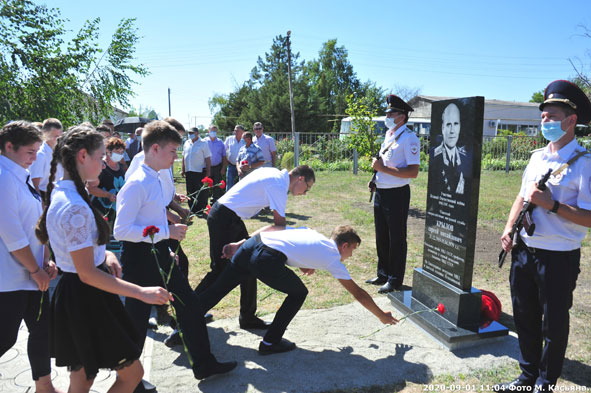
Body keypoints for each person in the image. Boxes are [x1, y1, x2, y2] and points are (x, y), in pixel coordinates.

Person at [35, 124, 173, 393]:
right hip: (88, 296)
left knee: (83, 376)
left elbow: (76, 250)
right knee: (132, 374)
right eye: (100, 158)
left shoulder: (64, 193)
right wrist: (141, 292)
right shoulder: (75, 205)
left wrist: (105, 252)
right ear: (82, 156)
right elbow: (87, 272)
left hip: (74, 293)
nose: (103, 164)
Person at [114, 120, 236, 381]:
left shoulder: (155, 179)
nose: (175, 158)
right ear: (155, 148)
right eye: (172, 152)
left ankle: (204, 364)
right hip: (139, 259)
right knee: (135, 321)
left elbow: (154, 217)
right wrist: (167, 233)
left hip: (158, 253)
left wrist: (166, 242)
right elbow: (121, 231)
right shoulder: (136, 183)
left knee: (190, 305)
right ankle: (127, 379)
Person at [495, 80, 591, 393]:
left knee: (553, 324)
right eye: (543, 117)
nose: (544, 122)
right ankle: (526, 378)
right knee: (524, 318)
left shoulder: (584, 165)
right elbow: (522, 197)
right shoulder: (537, 157)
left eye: (550, 117)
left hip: (558, 257)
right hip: (524, 251)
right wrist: (509, 227)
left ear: (571, 120)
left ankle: (545, 383)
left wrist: (553, 205)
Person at [200, 225, 398, 354]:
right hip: (265, 257)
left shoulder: (313, 233)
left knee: (217, 290)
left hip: (253, 244)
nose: (351, 255)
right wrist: (381, 315)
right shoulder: (331, 256)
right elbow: (359, 294)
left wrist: (302, 261)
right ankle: (270, 343)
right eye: (352, 249)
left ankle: (184, 327)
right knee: (299, 293)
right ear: (344, 245)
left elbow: (289, 239)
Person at [193, 165, 315, 331]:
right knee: (220, 271)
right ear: (300, 178)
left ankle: (248, 317)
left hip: (229, 217)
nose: (305, 193)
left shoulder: (274, 173)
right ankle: (187, 315)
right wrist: (299, 260)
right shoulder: (279, 184)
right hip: (224, 217)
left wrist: (243, 244)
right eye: (307, 188)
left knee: (248, 263)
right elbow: (280, 226)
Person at [0, 121, 63, 393]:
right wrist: (35, 270)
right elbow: (12, 234)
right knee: (4, 337)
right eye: (30, 151)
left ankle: (44, 386)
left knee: (42, 330)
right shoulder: (3, 176)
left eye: (38, 150)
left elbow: (36, 223)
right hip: (10, 278)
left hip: (31, 273)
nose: (35, 157)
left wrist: (45, 259)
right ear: (8, 147)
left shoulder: (19, 173)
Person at [366, 94, 420, 294]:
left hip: (397, 194)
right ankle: (383, 274)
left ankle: (395, 279)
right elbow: (385, 164)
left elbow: (413, 172)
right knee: (381, 236)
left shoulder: (409, 138)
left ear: (402, 116)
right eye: (387, 112)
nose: (387, 115)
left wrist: (382, 169)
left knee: (396, 238)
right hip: (381, 191)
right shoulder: (389, 135)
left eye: (391, 113)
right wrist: (376, 178)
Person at [430, 103, 470, 195]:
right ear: (442, 128)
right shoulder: (434, 155)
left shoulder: (465, 158)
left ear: (459, 127)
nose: (452, 131)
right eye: (448, 124)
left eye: (455, 124)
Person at [88, 137, 126, 227]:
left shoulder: (121, 167)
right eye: (117, 151)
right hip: (100, 210)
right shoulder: (101, 167)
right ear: (108, 151)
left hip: (116, 211)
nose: (120, 154)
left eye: (121, 152)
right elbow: (90, 188)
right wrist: (108, 195)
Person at [29, 118, 64, 198]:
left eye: (60, 136)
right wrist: (41, 205)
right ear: (44, 134)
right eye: (55, 136)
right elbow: (34, 185)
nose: (58, 139)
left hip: (57, 195)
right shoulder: (40, 155)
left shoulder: (60, 153)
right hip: (44, 196)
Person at [182, 127, 211, 217]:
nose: (190, 134)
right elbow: (184, 156)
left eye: (192, 133)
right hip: (189, 170)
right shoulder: (187, 143)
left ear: (197, 133)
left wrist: (208, 171)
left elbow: (207, 158)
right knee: (190, 190)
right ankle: (192, 209)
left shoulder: (203, 143)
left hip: (199, 171)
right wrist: (183, 169)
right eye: (189, 132)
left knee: (200, 191)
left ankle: (200, 209)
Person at [204, 125, 227, 204]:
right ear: (208, 131)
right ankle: (204, 203)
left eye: (215, 131)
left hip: (217, 167)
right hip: (206, 167)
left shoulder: (220, 142)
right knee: (205, 186)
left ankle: (214, 203)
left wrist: (223, 168)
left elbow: (224, 156)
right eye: (211, 131)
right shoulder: (204, 142)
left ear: (217, 132)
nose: (213, 133)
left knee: (216, 186)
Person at [224, 124, 246, 190]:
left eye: (237, 131)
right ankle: (228, 199)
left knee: (242, 184)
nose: (235, 132)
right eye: (235, 131)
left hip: (242, 166)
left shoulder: (245, 141)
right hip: (231, 165)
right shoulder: (229, 139)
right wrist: (226, 160)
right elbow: (223, 150)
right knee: (229, 184)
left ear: (242, 132)